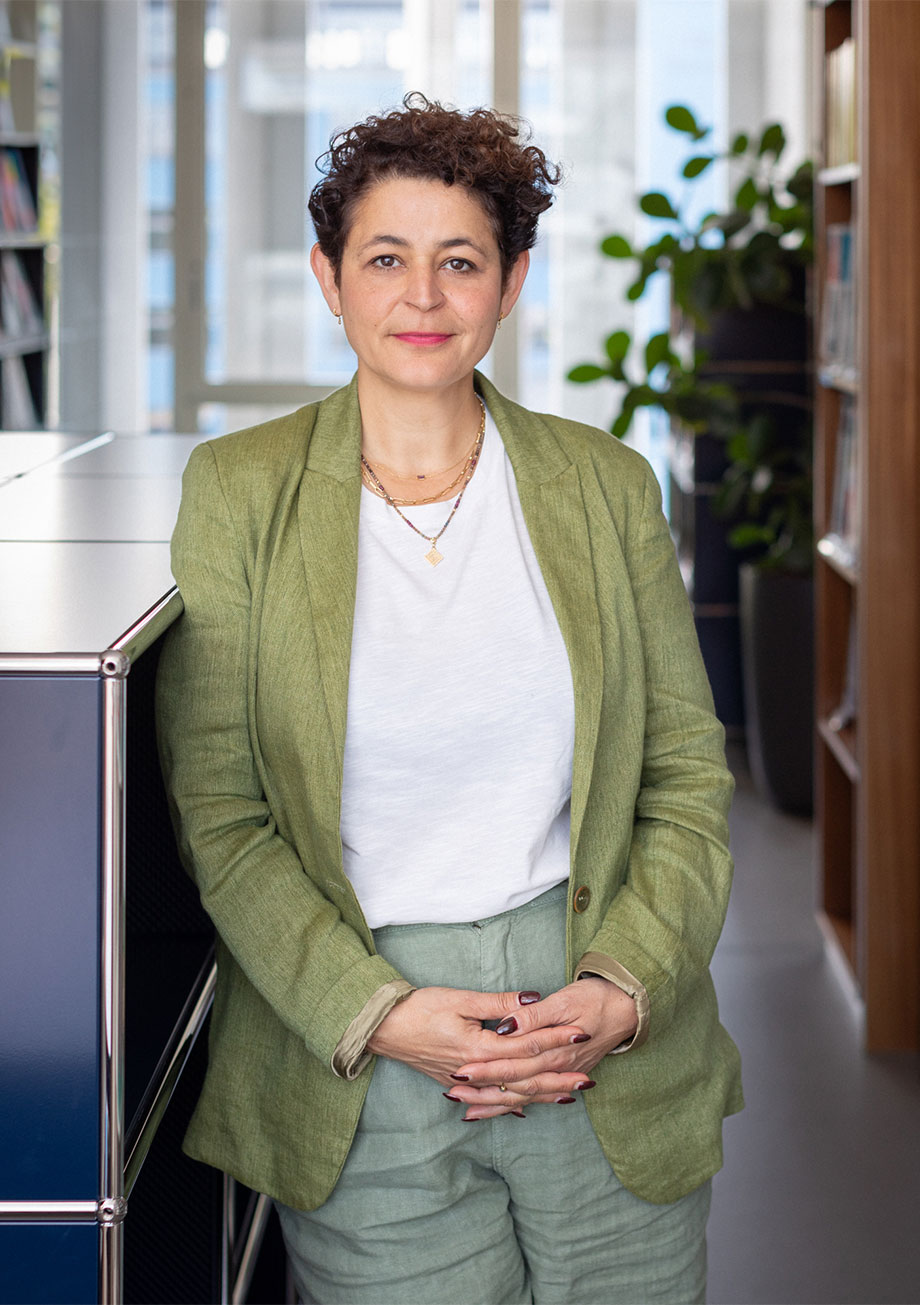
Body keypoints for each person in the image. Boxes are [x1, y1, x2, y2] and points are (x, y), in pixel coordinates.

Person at [156, 93, 742, 1305]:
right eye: (384, 258)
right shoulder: (237, 493)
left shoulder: (604, 486)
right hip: (361, 1048)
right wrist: (374, 1011)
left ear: (510, 282)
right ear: (328, 277)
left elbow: (684, 772)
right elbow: (222, 811)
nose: (421, 296)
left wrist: (621, 988)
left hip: (595, 1026)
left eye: (460, 261)